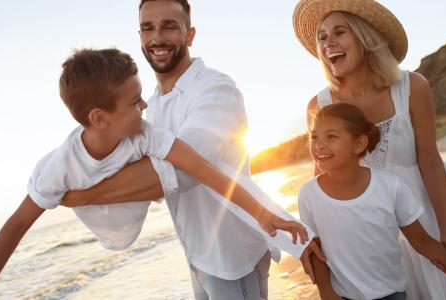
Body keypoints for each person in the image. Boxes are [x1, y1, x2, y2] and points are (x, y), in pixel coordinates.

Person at [0, 48, 311, 299]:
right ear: (100, 118)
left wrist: (264, 214)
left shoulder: (144, 133)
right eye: (134, 101)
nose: (145, 106)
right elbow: (17, 224)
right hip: (106, 231)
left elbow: (203, 170)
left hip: (197, 244)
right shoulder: (60, 168)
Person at [60, 1, 324, 299]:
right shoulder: (152, 103)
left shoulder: (215, 89)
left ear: (189, 35)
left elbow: (181, 172)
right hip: (196, 253)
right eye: (147, 28)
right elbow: (140, 169)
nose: (157, 37)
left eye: (169, 26)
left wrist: (82, 195)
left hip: (232, 255)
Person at [292, 0, 446, 298]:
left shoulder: (412, 86)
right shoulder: (319, 106)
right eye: (322, 37)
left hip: (430, 210)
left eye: (339, 32)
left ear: (365, 37)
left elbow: (429, 160)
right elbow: (324, 185)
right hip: (372, 232)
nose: (328, 43)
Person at [299, 103, 446, 300]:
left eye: (331, 136)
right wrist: (327, 293)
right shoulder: (308, 194)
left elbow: (422, 241)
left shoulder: (390, 187)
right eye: (314, 137)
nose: (318, 145)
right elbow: (315, 249)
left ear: (359, 144)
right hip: (343, 296)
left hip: (392, 294)